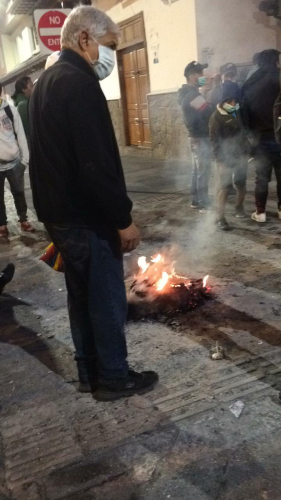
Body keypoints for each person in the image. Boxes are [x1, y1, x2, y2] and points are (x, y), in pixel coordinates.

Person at [28, 5, 158, 402]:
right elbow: (94, 164)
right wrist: (122, 220)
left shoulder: (47, 82)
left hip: (59, 216)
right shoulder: (79, 84)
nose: (112, 56)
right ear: (85, 38)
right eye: (110, 46)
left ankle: (89, 372)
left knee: (81, 296)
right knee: (105, 298)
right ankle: (115, 377)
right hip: (86, 218)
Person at [241, 49, 281, 222]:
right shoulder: (279, 78)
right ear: (275, 61)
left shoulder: (250, 83)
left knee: (262, 177)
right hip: (279, 137)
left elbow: (243, 113)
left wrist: (250, 135)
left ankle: (260, 212)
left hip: (258, 138)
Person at [209, 82, 249, 231]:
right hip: (225, 158)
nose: (233, 103)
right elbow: (214, 141)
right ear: (222, 101)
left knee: (241, 184)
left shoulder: (237, 112)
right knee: (224, 187)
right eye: (229, 101)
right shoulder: (216, 118)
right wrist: (220, 161)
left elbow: (243, 132)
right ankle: (220, 217)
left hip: (240, 155)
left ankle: (239, 207)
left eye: (235, 100)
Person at [0, 83, 34, 238]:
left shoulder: (10, 110)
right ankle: (2, 224)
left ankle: (23, 219)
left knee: (19, 193)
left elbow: (20, 135)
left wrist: (24, 161)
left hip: (14, 162)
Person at [178, 61, 213, 211]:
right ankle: (202, 201)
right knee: (203, 170)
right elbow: (208, 111)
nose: (203, 77)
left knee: (197, 169)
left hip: (196, 137)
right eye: (200, 74)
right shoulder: (192, 95)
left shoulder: (188, 93)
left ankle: (196, 199)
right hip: (200, 137)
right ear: (192, 76)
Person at [12, 76, 34, 144]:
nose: (34, 88)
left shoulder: (21, 103)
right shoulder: (23, 105)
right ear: (24, 90)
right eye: (31, 86)